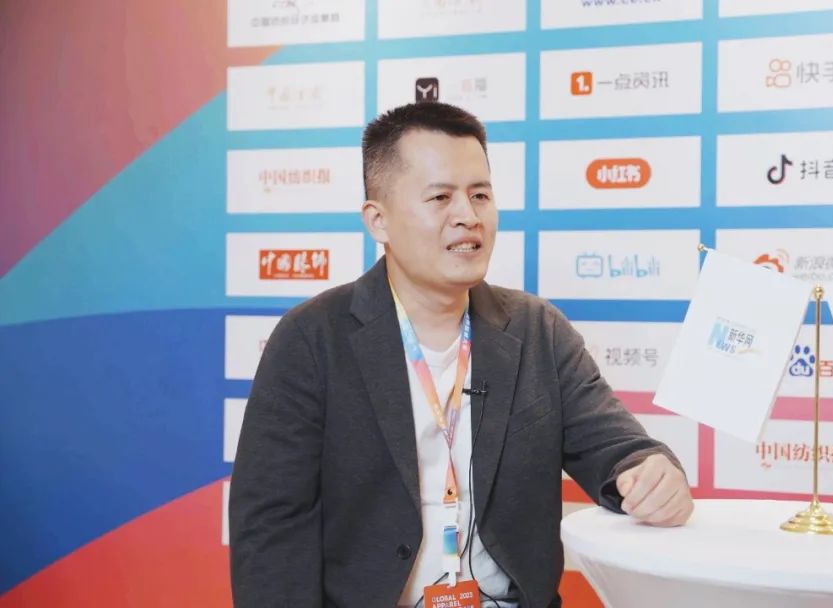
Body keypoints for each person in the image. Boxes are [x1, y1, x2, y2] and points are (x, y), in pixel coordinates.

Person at [229, 101, 693, 608]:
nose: (468, 217)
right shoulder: (312, 339)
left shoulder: (537, 331)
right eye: (440, 198)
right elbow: (270, 529)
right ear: (378, 220)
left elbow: (619, 448)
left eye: (480, 195)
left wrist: (650, 473)